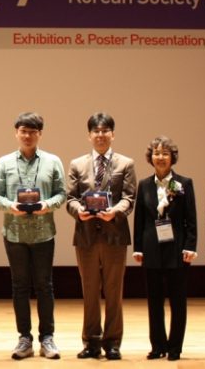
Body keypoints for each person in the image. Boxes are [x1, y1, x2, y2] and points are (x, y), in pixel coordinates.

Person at [66, 112, 136, 360]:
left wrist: (114, 212)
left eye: (105, 130)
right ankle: (91, 342)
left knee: (114, 291)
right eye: (96, 131)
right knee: (90, 291)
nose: (101, 135)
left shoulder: (125, 163)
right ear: (89, 135)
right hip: (85, 235)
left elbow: (129, 198)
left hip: (114, 235)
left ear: (112, 134)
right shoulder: (77, 164)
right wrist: (79, 211)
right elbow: (71, 198)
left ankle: (113, 342)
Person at [0, 112, 65, 360]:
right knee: (19, 286)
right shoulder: (3, 162)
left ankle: (48, 337)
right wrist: (9, 206)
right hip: (14, 233)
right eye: (23, 131)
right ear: (16, 133)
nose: (27, 135)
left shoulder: (53, 161)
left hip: (44, 233)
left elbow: (61, 194)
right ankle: (24, 338)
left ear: (40, 134)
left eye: (33, 131)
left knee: (45, 286)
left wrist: (48, 204)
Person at [132, 136, 197, 361]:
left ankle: (175, 347)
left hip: (177, 248)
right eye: (157, 153)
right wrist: (138, 248)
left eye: (165, 153)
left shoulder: (184, 183)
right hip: (151, 249)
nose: (160, 157)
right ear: (151, 158)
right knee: (154, 301)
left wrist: (190, 245)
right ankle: (157, 345)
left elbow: (191, 219)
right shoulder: (144, 185)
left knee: (178, 301)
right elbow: (139, 219)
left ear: (172, 158)